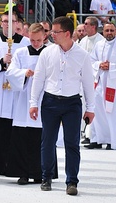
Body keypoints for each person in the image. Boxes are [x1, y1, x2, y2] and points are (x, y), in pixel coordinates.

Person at [30, 16, 95, 195]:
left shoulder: (82, 55)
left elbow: (89, 83)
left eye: (55, 32)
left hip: (72, 102)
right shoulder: (47, 52)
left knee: (72, 143)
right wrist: (33, 103)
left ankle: (72, 181)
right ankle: (46, 177)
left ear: (67, 33)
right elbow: (39, 78)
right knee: (48, 141)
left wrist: (91, 108)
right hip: (50, 101)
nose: (51, 34)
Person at [0, 12, 30, 174]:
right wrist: (1, 62)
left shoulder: (25, 43)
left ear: (17, 23)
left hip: (16, 90)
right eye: (5, 21)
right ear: (1, 23)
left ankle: (13, 165)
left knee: (15, 128)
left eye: (11, 21)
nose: (8, 24)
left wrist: (15, 69)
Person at [5, 23, 45, 184]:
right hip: (23, 99)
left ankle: (40, 172)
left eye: (38, 40)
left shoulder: (49, 52)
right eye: (33, 40)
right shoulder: (21, 53)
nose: (35, 43)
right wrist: (24, 73)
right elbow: (10, 72)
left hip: (43, 99)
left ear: (44, 37)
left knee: (40, 139)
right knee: (22, 138)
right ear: (28, 36)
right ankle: (22, 172)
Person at [90, 22, 116, 150]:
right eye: (107, 30)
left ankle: (113, 141)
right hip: (100, 83)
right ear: (103, 32)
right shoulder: (99, 45)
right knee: (98, 112)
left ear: (115, 31)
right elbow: (91, 61)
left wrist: (111, 67)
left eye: (111, 30)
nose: (109, 33)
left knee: (114, 114)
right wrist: (99, 65)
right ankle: (97, 139)